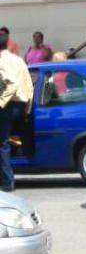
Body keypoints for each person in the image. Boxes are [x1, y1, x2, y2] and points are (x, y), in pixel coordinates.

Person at [0, 33, 33, 192]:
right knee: (11, 141)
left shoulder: (1, 60)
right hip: (21, 105)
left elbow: (11, 84)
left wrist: (0, 102)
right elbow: (29, 84)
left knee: (2, 144)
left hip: (8, 106)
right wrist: (28, 108)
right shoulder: (18, 60)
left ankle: (7, 182)